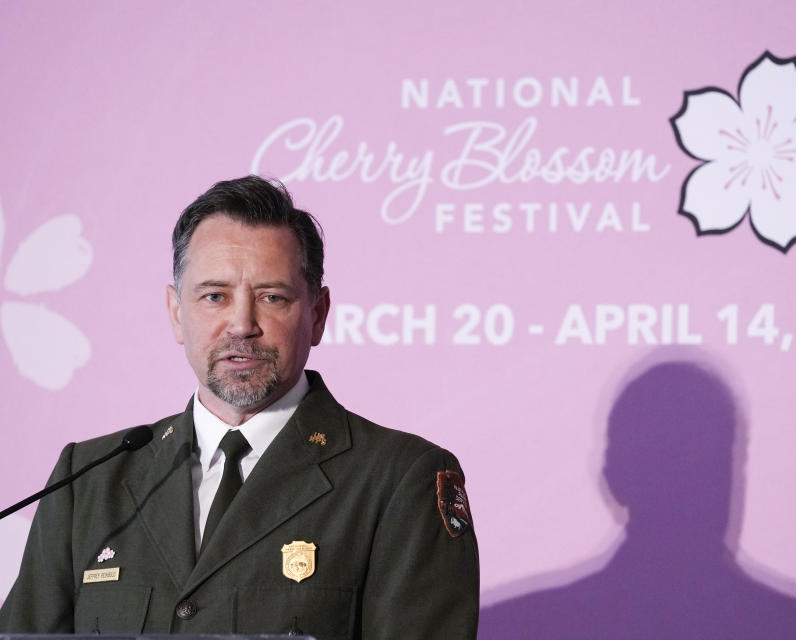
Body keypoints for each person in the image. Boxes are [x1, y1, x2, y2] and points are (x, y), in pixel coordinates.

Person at [0, 176, 479, 638]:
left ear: (317, 315)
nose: (241, 324)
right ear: (176, 314)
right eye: (214, 296)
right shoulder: (87, 481)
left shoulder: (398, 480)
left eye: (272, 297)